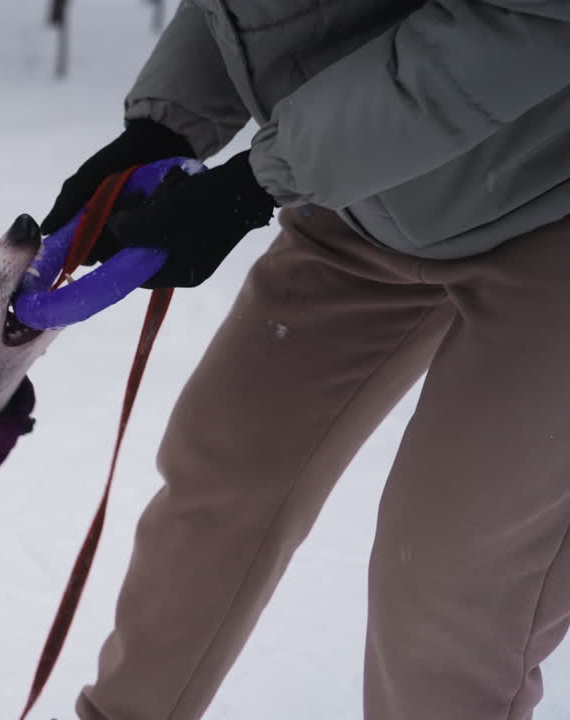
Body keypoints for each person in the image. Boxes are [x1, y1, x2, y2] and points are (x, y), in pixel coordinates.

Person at [40, 1, 570, 718]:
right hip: (369, 196)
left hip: (552, 203)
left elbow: (527, 21)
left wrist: (255, 182)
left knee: (448, 584)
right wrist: (167, 122)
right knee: (222, 468)